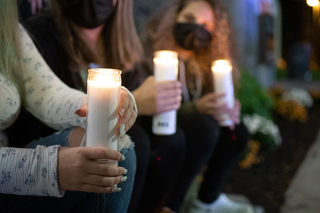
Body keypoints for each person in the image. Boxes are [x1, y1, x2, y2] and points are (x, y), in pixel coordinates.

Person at [23, 0, 185, 212]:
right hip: (58, 136)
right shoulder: (39, 35)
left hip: (100, 126)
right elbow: (41, 109)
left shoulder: (121, 40)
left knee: (173, 139)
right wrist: (133, 100)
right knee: (132, 140)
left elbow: (138, 95)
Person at [0, 0, 137, 212]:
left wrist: (99, 105)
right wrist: (49, 168)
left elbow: (46, 94)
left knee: (115, 149)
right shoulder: (45, 31)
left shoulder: (7, 28)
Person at [143, 0, 255, 212]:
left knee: (235, 132)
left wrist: (225, 108)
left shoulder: (203, 64)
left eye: (206, 24)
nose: (197, 28)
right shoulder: (151, 57)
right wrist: (196, 109)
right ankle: (170, 206)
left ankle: (205, 200)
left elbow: (215, 101)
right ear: (174, 17)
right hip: (159, 131)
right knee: (203, 126)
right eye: (189, 19)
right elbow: (150, 107)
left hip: (199, 130)